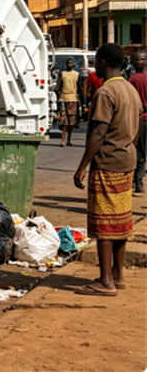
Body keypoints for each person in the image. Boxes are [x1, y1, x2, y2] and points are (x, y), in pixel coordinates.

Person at [74, 43, 141, 296]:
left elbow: (99, 132)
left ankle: (105, 281)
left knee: (104, 224)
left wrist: (82, 167)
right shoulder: (129, 89)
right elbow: (135, 130)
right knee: (121, 221)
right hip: (127, 162)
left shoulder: (105, 92)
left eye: (96, 62)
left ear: (102, 62)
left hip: (107, 164)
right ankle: (117, 275)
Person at [128, 48, 146, 194]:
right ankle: (138, 181)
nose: (139, 61)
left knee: (139, 152)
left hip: (139, 119)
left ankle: (138, 181)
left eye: (141, 59)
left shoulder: (132, 80)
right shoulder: (132, 79)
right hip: (139, 118)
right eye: (137, 59)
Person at [55, 58, 81, 147]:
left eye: (71, 63)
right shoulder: (62, 74)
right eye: (68, 63)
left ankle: (69, 140)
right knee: (63, 121)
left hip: (73, 99)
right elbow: (58, 86)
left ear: (73, 64)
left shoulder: (77, 74)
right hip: (63, 98)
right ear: (66, 64)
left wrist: (82, 100)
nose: (69, 64)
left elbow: (79, 88)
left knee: (71, 121)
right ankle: (63, 140)